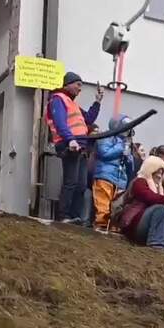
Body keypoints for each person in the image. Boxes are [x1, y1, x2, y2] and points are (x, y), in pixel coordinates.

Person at [46, 71, 102, 224]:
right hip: (70, 145)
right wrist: (70, 140)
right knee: (70, 182)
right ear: (68, 84)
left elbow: (89, 119)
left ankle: (74, 216)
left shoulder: (72, 104)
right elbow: (60, 122)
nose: (80, 89)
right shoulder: (58, 99)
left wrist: (97, 101)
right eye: (78, 84)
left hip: (80, 148)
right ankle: (64, 216)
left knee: (81, 185)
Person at [119, 156, 164, 251]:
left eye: (161, 173)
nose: (159, 176)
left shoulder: (159, 187)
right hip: (133, 224)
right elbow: (149, 197)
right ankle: (156, 243)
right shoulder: (139, 182)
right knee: (160, 209)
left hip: (145, 223)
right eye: (156, 172)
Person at [91, 114, 132, 232]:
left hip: (120, 180)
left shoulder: (127, 142)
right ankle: (101, 225)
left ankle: (114, 227)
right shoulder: (105, 137)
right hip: (105, 176)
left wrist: (128, 157)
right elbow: (104, 153)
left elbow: (130, 166)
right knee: (103, 204)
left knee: (117, 206)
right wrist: (121, 146)